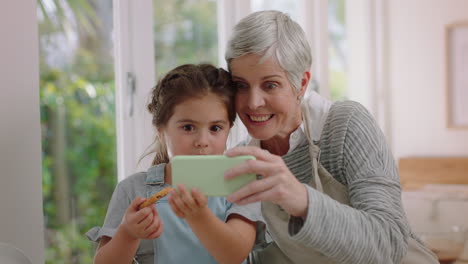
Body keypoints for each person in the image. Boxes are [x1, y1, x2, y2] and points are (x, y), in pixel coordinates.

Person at [222, 10, 438, 263]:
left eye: (270, 85)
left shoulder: (345, 124)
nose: (253, 103)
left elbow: (389, 242)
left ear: (301, 84)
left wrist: (302, 201)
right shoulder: (243, 163)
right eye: (240, 85)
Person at [86, 64, 257, 264]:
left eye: (215, 128)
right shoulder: (133, 190)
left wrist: (199, 217)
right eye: (188, 127)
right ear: (161, 129)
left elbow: (235, 255)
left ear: (229, 129)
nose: (202, 140)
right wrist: (128, 234)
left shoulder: (241, 185)